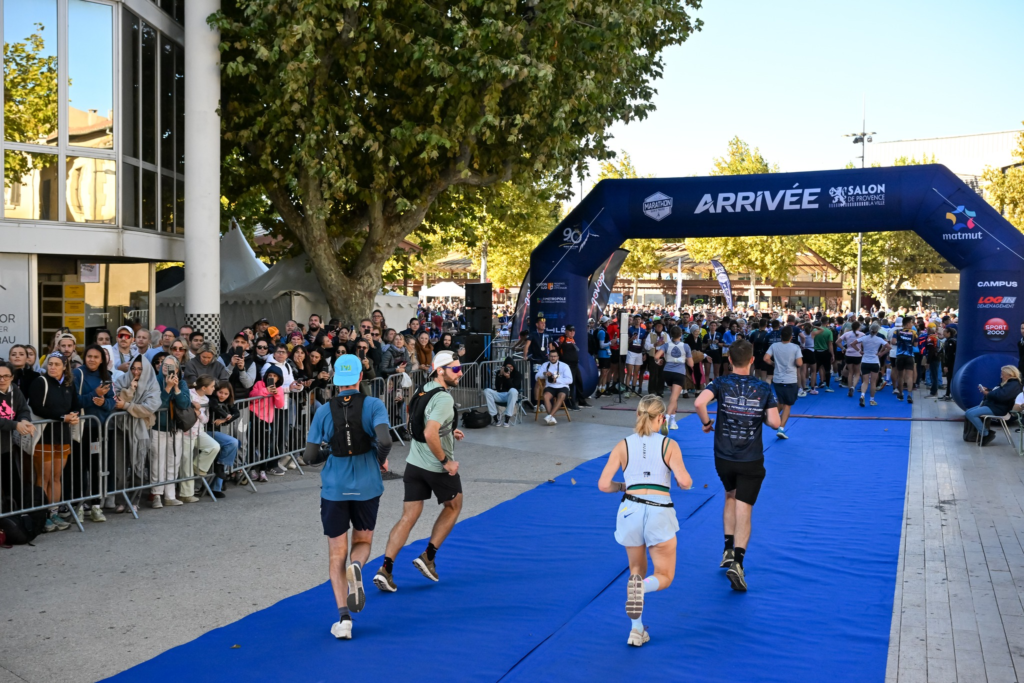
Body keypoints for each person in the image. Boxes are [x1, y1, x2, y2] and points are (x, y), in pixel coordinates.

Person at [301, 354, 392, 640]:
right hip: (368, 485)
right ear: (360, 377)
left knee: (336, 552)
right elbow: (385, 440)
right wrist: (380, 458)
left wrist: (332, 450)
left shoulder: (323, 411)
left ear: (336, 380)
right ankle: (357, 566)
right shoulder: (374, 405)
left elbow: (309, 457)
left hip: (334, 488)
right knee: (362, 541)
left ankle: (343, 620)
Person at [598, 395, 692, 647]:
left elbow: (604, 485)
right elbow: (685, 482)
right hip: (659, 511)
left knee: (635, 571)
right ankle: (644, 589)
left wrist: (623, 486)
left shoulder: (623, 445)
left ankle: (636, 630)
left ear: (637, 414)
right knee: (664, 575)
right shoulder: (669, 444)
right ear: (661, 418)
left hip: (630, 509)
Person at [374, 350, 465, 592]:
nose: (460, 373)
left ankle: (385, 570)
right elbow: (428, 432)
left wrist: (448, 430)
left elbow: (415, 420)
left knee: (408, 517)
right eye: (456, 369)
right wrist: (446, 462)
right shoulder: (444, 399)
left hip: (414, 464)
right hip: (436, 467)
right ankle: (428, 557)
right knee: (454, 505)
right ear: (440, 371)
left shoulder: (423, 389)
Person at [694, 340, 780, 592]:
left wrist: (707, 423)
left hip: (723, 457)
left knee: (729, 495)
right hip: (750, 458)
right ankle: (738, 563)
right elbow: (775, 423)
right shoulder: (763, 388)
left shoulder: (720, 383)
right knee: (745, 507)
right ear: (752, 360)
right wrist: (760, 415)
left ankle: (727, 549)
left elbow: (699, 403)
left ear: (729, 360)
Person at [29, 353, 81, 531]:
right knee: (44, 477)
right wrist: (62, 417)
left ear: (64, 367)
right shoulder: (40, 381)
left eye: (57, 364)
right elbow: (37, 407)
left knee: (56, 477)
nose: (52, 367)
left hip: (63, 436)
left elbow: (75, 404)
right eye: (50, 364)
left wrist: (74, 415)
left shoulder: (68, 384)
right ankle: (41, 516)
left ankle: (53, 513)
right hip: (44, 436)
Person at [71, 345, 116, 521]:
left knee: (97, 467)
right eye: (89, 356)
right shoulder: (77, 374)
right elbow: (74, 401)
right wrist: (94, 395)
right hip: (81, 428)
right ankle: (79, 507)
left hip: (99, 429)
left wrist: (103, 402)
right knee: (80, 468)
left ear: (102, 360)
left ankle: (96, 505)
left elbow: (112, 402)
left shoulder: (106, 376)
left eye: (96, 357)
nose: (92, 360)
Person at [112, 356, 161, 513]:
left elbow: (149, 408)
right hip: (120, 427)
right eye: (133, 368)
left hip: (141, 429)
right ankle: (120, 500)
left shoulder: (152, 384)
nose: (136, 372)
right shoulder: (122, 380)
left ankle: (134, 500)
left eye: (140, 369)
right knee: (119, 467)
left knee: (137, 465)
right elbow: (116, 401)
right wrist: (130, 390)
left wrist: (127, 406)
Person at [150, 355, 191, 508]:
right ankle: (157, 495)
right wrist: (167, 388)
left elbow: (185, 404)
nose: (167, 368)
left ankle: (170, 495)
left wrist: (176, 388)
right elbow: (158, 405)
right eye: (164, 365)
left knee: (173, 462)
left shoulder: (182, 383)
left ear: (177, 369)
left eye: (171, 366)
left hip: (175, 428)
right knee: (157, 462)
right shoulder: (154, 381)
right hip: (158, 428)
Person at [0, 361, 35, 516]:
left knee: (12, 485)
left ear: (12, 377)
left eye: (6, 376)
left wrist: (24, 420)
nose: (2, 379)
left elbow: (23, 409)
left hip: (6, 447)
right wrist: (15, 425)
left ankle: (15, 519)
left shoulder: (14, 389)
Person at [764, 327, 802, 439]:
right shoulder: (795, 347)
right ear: (791, 337)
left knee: (781, 401)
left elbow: (766, 358)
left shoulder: (774, 346)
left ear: (781, 336)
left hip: (777, 378)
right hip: (790, 379)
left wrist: (773, 364)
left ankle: (771, 418)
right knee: (787, 405)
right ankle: (781, 428)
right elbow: (799, 363)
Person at [969, 366, 1022, 446]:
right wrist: (988, 390)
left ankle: (986, 434)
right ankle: (984, 433)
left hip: (999, 408)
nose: (1001, 376)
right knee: (969, 412)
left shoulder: (1013, 385)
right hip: (995, 406)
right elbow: (998, 393)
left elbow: (1002, 396)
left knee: (970, 414)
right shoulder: (1009, 383)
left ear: (1010, 375)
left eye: (1003, 374)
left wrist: (988, 394)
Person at [662, 326, 693, 431]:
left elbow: (656, 356)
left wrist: (659, 361)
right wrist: (686, 359)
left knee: (674, 397)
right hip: (679, 373)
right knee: (674, 398)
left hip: (667, 372)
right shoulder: (685, 346)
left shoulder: (666, 345)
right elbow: (691, 364)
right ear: (681, 335)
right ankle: (666, 418)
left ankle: (673, 421)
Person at [536, 349, 573, 426]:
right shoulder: (545, 365)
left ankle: (550, 416)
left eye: (555, 356)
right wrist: (544, 374)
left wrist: (556, 380)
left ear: (558, 357)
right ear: (548, 357)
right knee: (545, 396)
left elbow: (570, 380)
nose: (553, 358)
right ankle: (551, 418)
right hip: (550, 386)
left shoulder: (564, 366)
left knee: (561, 396)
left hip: (562, 386)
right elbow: (536, 377)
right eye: (551, 356)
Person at [857, 324, 890, 407]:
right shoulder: (879, 339)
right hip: (875, 361)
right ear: (877, 331)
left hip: (865, 361)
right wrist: (881, 353)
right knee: (873, 382)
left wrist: (859, 351)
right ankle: (872, 400)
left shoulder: (864, 337)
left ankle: (862, 395)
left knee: (865, 381)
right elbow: (889, 347)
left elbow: (852, 343)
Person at [483, 357, 521, 427]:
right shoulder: (499, 373)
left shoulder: (517, 374)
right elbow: (498, 388)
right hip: (500, 395)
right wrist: (500, 376)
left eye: (511, 366)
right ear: (504, 367)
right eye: (508, 367)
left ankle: (507, 418)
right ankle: (495, 417)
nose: (509, 368)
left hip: (511, 396)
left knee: (513, 390)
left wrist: (508, 378)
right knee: (486, 391)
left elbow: (514, 387)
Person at [892, 317, 917, 404]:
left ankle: (901, 393)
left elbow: (893, 342)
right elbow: (915, 344)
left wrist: (900, 342)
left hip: (900, 355)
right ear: (907, 323)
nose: (912, 325)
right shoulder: (914, 332)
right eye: (911, 323)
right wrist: (909, 343)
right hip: (909, 355)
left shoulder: (897, 332)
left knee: (900, 375)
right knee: (909, 376)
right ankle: (909, 395)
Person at [837, 322, 865, 398]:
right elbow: (864, 344)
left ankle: (849, 388)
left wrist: (843, 348)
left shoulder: (847, 334)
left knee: (850, 372)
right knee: (857, 373)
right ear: (859, 327)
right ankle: (853, 387)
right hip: (857, 354)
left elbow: (837, 342)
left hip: (848, 354)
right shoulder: (862, 334)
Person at [644, 318, 669, 398]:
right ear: (655, 327)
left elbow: (669, 345)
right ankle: (652, 391)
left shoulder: (666, 335)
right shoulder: (650, 334)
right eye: (657, 326)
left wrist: (664, 344)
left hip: (663, 357)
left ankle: (660, 391)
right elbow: (646, 346)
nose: (659, 327)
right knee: (653, 374)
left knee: (661, 375)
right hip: (653, 356)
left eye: (660, 326)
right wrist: (655, 344)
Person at [938, 328, 957, 402]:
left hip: (951, 363)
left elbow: (950, 355)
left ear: (949, 333)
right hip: (949, 363)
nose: (943, 333)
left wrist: (946, 365)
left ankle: (948, 395)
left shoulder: (951, 341)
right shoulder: (948, 341)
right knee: (949, 379)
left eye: (945, 332)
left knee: (949, 379)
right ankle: (947, 394)